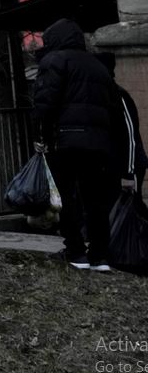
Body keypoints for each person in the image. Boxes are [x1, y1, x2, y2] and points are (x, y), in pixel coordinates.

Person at [33, 19, 123, 272]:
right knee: (96, 199)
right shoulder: (98, 66)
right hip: (97, 144)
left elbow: (44, 103)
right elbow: (113, 108)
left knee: (65, 198)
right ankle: (100, 255)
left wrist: (40, 135)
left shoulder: (54, 61)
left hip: (65, 141)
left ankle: (75, 251)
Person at [95, 52, 147, 195]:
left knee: (131, 210)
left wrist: (129, 173)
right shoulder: (104, 94)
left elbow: (130, 136)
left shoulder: (118, 95)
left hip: (128, 165)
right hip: (114, 165)